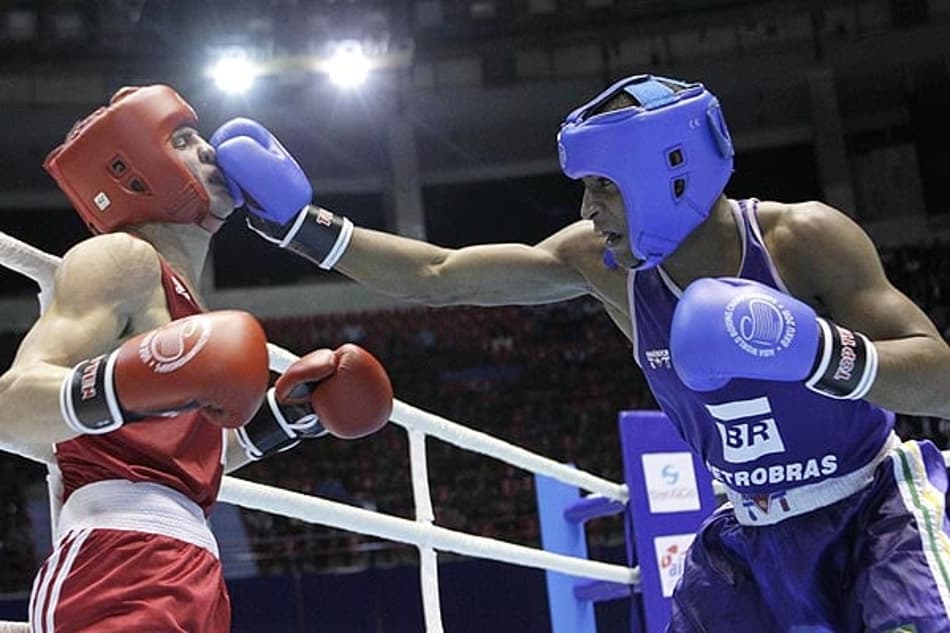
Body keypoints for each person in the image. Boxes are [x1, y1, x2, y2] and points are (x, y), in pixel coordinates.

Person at [209, 74, 950, 631]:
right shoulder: (604, 264)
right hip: (750, 536)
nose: (588, 209)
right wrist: (302, 227)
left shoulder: (801, 241)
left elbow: (941, 379)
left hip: (871, 511)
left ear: (670, 172)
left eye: (603, 186)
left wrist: (820, 353)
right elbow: (440, 275)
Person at [0, 85, 393, 633]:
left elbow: (173, 459)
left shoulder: (189, 306)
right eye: (183, 140)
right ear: (131, 172)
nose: (211, 150)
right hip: (116, 562)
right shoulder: (120, 259)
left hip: (193, 564)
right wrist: (122, 386)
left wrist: (281, 421)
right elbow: (11, 405)